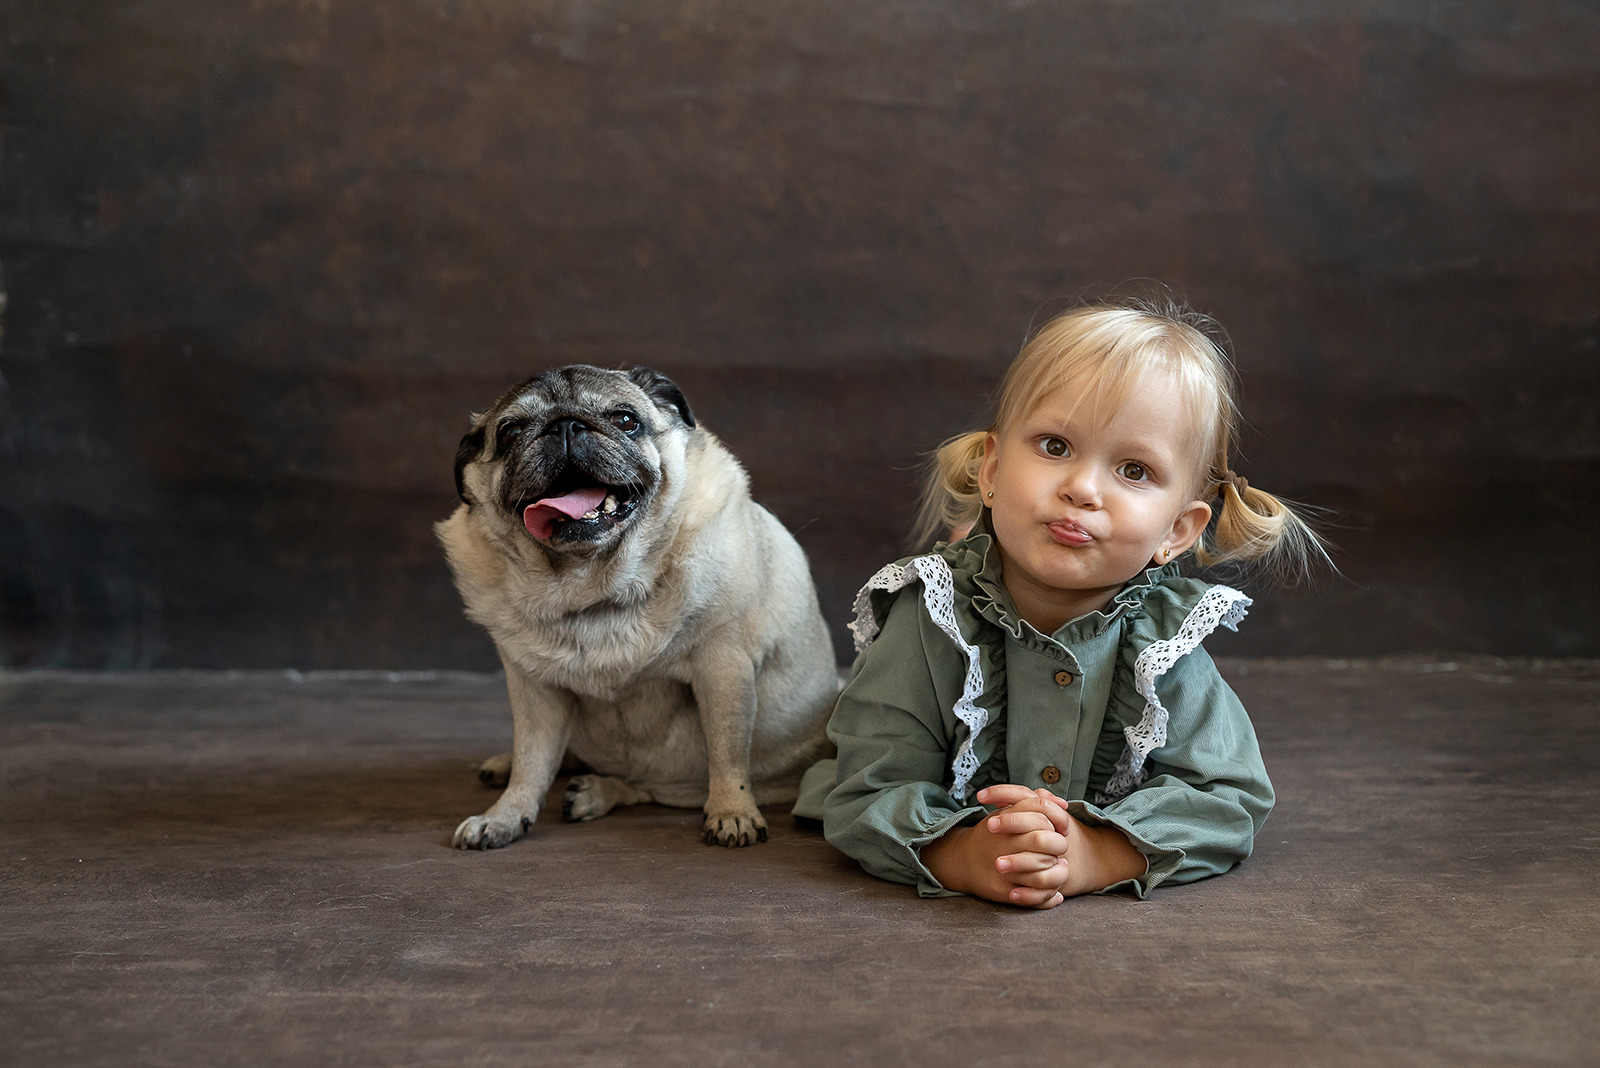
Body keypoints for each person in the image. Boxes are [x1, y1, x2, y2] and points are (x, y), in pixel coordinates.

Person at [794, 293, 1326, 908]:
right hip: (961, 835)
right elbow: (868, 788)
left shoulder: (1165, 644)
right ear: (991, 471)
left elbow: (1227, 798)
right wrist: (964, 854)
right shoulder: (930, 619)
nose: (1081, 488)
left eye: (1133, 471)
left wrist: (1095, 854)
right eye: (1054, 447)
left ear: (1177, 531)